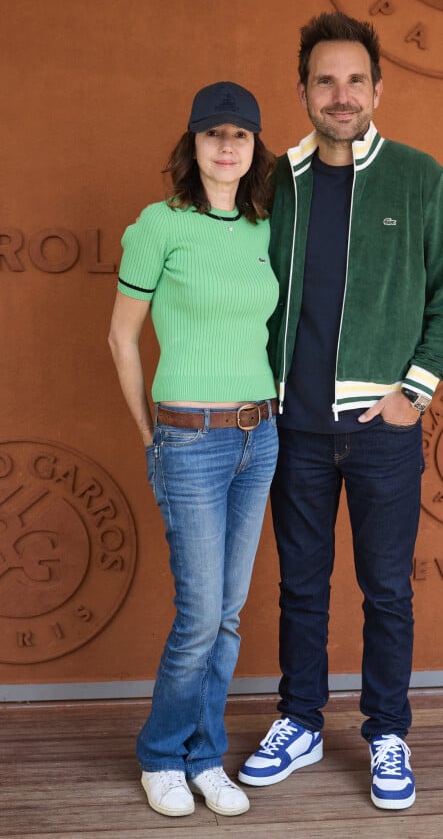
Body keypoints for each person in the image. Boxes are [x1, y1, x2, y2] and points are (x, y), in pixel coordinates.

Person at [238, 13, 443, 810]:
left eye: (355, 80)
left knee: (387, 590)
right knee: (301, 586)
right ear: (302, 90)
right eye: (324, 81)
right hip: (292, 428)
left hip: (381, 431)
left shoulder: (419, 176)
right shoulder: (274, 183)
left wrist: (415, 392)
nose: (341, 95)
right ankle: (300, 719)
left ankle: (387, 734)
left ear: (379, 88)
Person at [108, 82, 279, 819]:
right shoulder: (158, 225)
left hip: (259, 435)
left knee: (230, 613)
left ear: (254, 150)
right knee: (200, 614)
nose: (226, 146)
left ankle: (205, 756)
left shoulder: (267, 229)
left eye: (240, 135)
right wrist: (152, 436)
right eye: (214, 134)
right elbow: (120, 337)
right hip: (189, 439)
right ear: (193, 145)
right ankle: (160, 754)